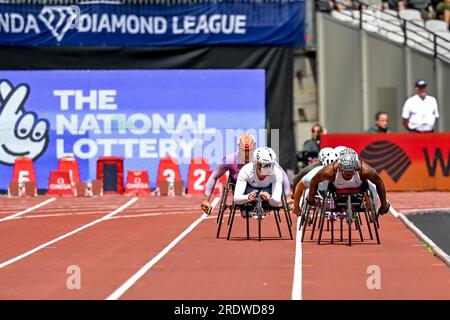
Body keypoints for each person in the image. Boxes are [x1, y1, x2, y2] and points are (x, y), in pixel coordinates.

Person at [200, 134, 292, 213]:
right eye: (244, 151)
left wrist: (287, 197)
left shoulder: (264, 157)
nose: (247, 155)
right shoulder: (230, 160)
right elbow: (213, 177)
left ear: (254, 148)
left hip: (265, 190)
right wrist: (206, 199)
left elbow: (282, 175)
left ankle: (264, 202)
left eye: (249, 151)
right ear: (239, 148)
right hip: (241, 191)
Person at [306, 148, 390, 216]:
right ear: (339, 168)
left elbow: (379, 183)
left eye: (351, 171)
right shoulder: (329, 171)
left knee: (373, 186)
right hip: (337, 191)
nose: (348, 175)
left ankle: (375, 210)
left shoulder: (365, 170)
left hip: (359, 188)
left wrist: (383, 205)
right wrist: (311, 198)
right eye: (345, 171)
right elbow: (314, 181)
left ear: (357, 168)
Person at [233, 147, 284, 217]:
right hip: (250, 190)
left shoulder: (277, 172)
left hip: (268, 191)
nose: (270, 168)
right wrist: (247, 197)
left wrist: (269, 198)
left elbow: (277, 201)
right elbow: (236, 198)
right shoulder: (245, 170)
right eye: (266, 165)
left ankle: (265, 204)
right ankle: (245, 208)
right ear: (257, 164)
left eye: (271, 164)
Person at [292, 149, 339, 215]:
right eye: (327, 170)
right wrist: (296, 206)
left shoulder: (345, 172)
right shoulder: (312, 174)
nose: (330, 173)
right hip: (315, 183)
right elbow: (299, 187)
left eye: (333, 170)